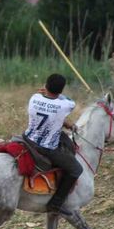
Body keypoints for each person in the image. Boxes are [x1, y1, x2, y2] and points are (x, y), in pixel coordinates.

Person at [23, 74, 82, 215]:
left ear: (46, 85)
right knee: (76, 169)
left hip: (27, 138)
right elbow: (68, 102)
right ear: (61, 90)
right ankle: (56, 204)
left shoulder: (34, 98)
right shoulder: (65, 105)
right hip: (46, 147)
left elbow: (49, 113)